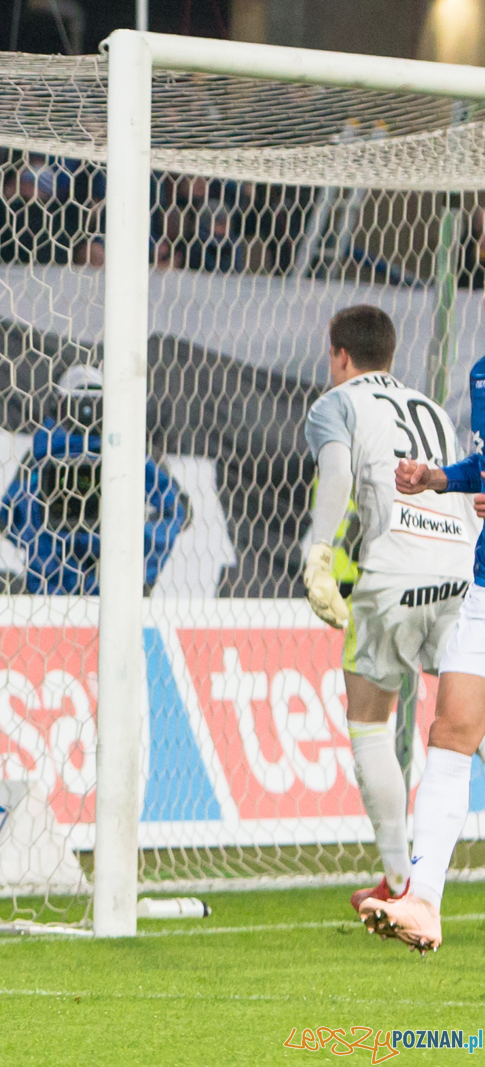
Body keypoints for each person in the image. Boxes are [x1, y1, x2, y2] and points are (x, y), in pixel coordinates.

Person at [299, 305, 477, 917]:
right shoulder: (430, 407)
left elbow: (336, 474)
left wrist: (319, 554)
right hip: (460, 569)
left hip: (396, 571)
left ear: (339, 356)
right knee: (470, 722)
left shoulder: (336, 403)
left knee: (370, 720)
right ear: (392, 356)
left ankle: (400, 882)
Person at [361, 360, 485, 953]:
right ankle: (424, 902)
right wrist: (438, 478)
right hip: (483, 585)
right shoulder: (481, 375)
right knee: (451, 731)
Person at [0, 364, 188, 594]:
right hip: (114, 590)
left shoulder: (42, 454)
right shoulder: (132, 453)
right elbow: (177, 510)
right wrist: (140, 570)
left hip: (52, 589)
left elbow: (8, 520)